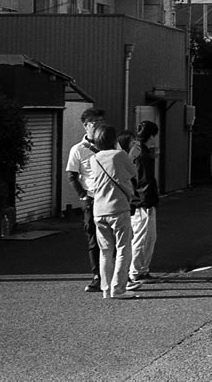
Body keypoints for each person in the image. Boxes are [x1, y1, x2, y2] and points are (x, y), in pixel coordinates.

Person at [90, 124, 140, 299]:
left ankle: (106, 289)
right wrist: (131, 156)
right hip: (118, 208)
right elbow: (132, 172)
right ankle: (118, 289)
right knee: (123, 248)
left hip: (99, 210)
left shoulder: (94, 158)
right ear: (114, 139)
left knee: (105, 251)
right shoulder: (119, 155)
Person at [65, 108, 106, 293]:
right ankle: (97, 275)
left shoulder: (112, 145)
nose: (99, 126)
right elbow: (72, 176)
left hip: (111, 199)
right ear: (86, 126)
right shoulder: (78, 149)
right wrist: (83, 196)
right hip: (91, 199)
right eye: (95, 123)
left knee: (115, 239)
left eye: (101, 122)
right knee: (93, 239)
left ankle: (115, 275)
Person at [128, 120, 160, 283]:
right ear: (151, 135)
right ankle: (136, 271)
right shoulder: (141, 154)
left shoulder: (137, 150)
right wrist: (147, 200)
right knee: (142, 237)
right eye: (155, 135)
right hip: (142, 202)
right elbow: (143, 180)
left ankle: (142, 270)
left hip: (141, 200)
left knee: (148, 237)